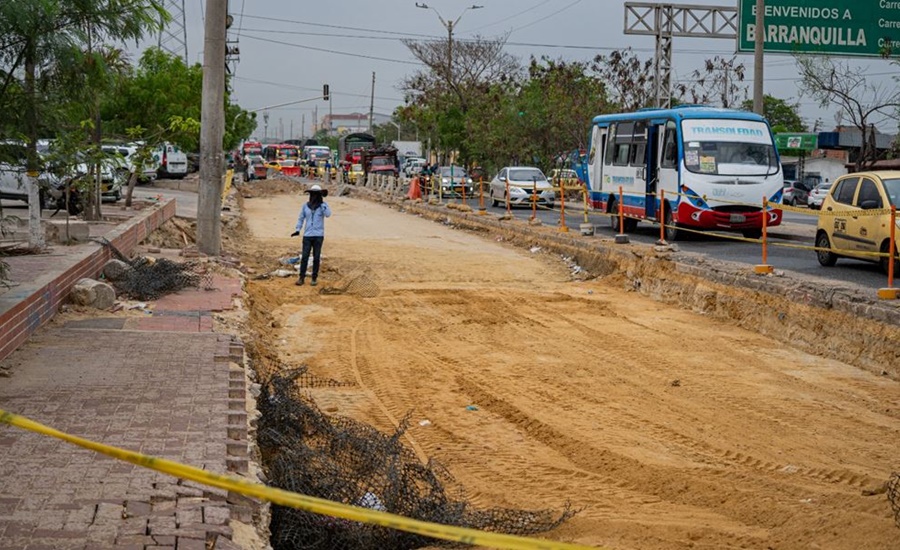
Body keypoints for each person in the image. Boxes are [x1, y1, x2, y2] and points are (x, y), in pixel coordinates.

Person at [290, 184, 332, 286]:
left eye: (316, 195)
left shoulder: (323, 206)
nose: (314, 197)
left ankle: (314, 278)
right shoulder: (305, 206)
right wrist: (297, 229)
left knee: (316, 257)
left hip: (318, 235)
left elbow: (328, 214)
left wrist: (322, 204)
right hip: (307, 235)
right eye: (312, 195)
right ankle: (301, 278)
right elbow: (301, 218)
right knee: (305, 257)